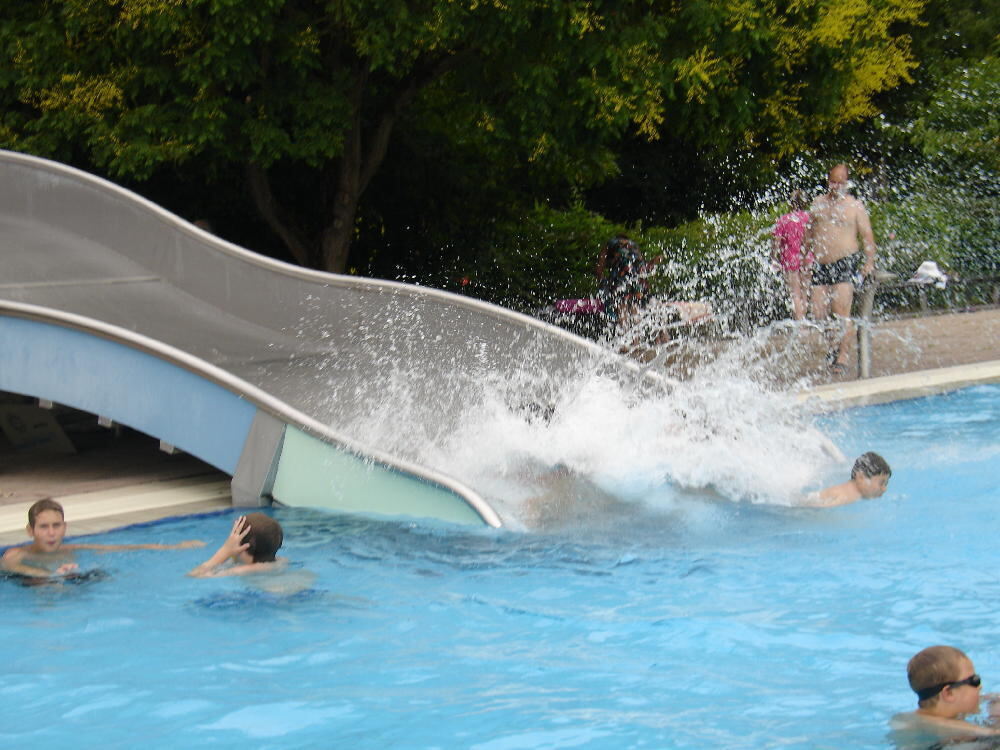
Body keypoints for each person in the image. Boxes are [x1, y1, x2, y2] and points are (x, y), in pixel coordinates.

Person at [0, 498, 205, 579]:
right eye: (44, 527)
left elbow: (120, 549)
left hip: (65, 579)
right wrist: (51, 575)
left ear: (65, 527)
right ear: (30, 531)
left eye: (56, 526)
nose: (51, 533)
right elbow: (18, 569)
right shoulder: (16, 554)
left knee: (102, 575)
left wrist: (174, 546)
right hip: (35, 590)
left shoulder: (71, 550)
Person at [804, 163, 877, 374]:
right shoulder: (818, 203)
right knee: (818, 313)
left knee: (840, 310)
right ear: (828, 181)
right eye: (832, 182)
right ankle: (833, 346)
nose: (835, 186)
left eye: (840, 182)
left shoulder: (855, 206)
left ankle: (843, 355)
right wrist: (804, 259)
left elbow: (867, 236)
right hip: (820, 264)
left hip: (845, 261)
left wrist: (869, 262)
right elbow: (810, 233)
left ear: (847, 184)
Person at [889, 646, 1000, 746]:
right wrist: (992, 732)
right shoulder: (910, 723)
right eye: (974, 681)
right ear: (948, 693)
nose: (980, 687)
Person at [187, 513, 285, 578]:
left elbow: (194, 575)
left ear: (243, 547)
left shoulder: (241, 570)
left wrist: (224, 551)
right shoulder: (281, 561)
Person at [772, 189, 813, 320]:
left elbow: (776, 243)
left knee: (795, 294)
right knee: (805, 292)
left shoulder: (783, 220)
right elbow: (811, 239)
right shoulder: (809, 218)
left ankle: (799, 323)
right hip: (807, 258)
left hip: (789, 260)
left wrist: (773, 257)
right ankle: (804, 319)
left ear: (790, 203)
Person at [805, 451, 891, 507]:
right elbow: (813, 507)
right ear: (861, 477)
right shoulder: (847, 497)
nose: (884, 489)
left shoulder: (847, 490)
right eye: (881, 483)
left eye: (886, 484)